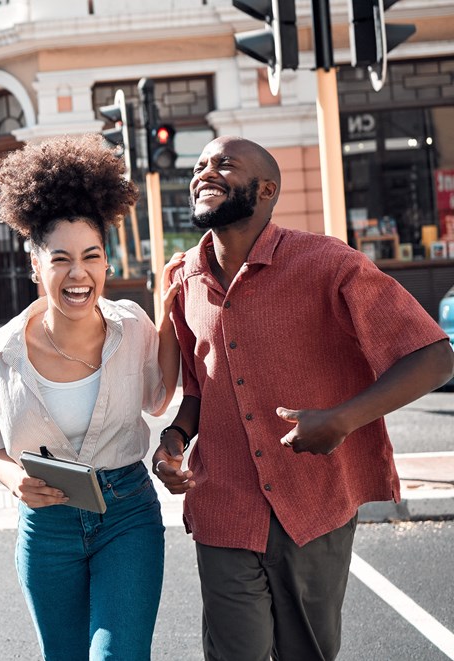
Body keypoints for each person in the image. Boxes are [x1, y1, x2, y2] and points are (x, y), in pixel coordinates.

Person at [152, 136, 454, 661]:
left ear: (267, 190)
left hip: (314, 502)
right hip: (222, 502)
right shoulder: (183, 279)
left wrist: (343, 419)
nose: (205, 172)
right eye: (200, 164)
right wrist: (174, 439)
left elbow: (434, 356)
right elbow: (200, 387)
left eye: (224, 164)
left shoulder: (329, 264)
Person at [0, 134, 183, 660]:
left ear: (106, 264)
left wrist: (169, 314)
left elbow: (158, 401)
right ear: (35, 265)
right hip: (48, 528)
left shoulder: (132, 326)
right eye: (60, 259)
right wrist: (16, 479)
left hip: (127, 515)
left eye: (91, 256)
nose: (78, 273)